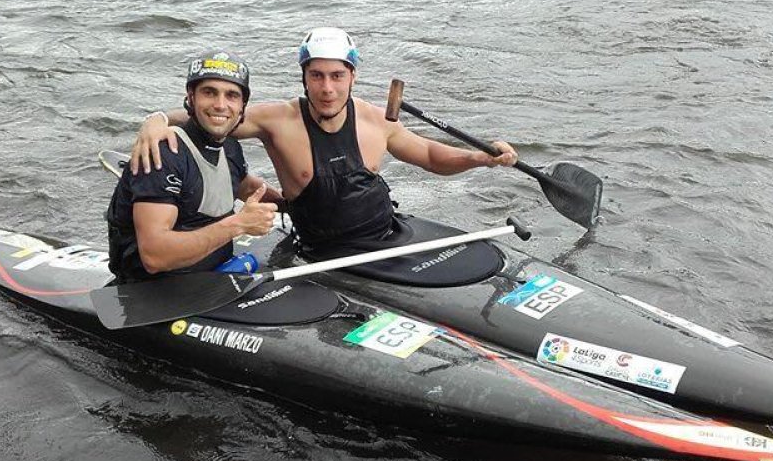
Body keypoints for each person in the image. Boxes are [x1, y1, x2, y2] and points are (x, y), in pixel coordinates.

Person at [127, 28, 517, 250]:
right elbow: (213, 117)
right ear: (304, 77)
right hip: (320, 249)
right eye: (317, 76)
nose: (327, 88)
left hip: (385, 235)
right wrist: (157, 120)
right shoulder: (276, 120)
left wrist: (480, 159)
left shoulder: (376, 119)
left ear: (353, 77)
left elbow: (431, 155)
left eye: (336, 76)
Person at [106, 50, 282, 283]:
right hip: (152, 287)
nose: (220, 105)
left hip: (212, 273)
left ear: (243, 106)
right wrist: (238, 224)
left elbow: (246, 186)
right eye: (209, 93)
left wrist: (292, 206)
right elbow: (154, 256)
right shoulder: (163, 154)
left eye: (231, 95)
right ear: (191, 97)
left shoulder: (230, 146)